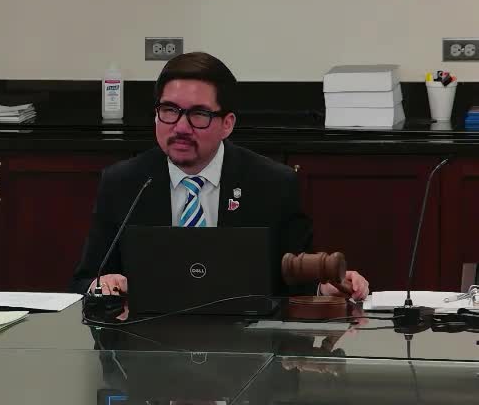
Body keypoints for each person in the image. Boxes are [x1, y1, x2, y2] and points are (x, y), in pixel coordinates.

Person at [69, 51, 369, 301]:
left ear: (227, 124)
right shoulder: (124, 182)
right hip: (144, 340)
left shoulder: (272, 183)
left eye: (199, 114)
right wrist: (101, 284)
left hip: (245, 341)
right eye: (169, 110)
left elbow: (295, 278)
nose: (181, 127)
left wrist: (326, 287)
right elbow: (85, 280)